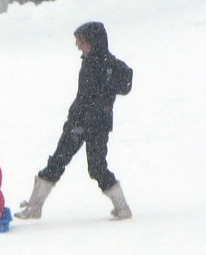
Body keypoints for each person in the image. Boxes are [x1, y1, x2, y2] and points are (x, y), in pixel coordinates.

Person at [15, 21, 133, 221]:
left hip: (94, 126)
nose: (78, 46)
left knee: (93, 167)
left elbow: (124, 83)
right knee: (60, 161)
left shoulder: (108, 65)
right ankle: (35, 206)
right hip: (81, 123)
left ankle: (122, 207)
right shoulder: (89, 62)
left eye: (81, 41)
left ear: (94, 42)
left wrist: (108, 80)